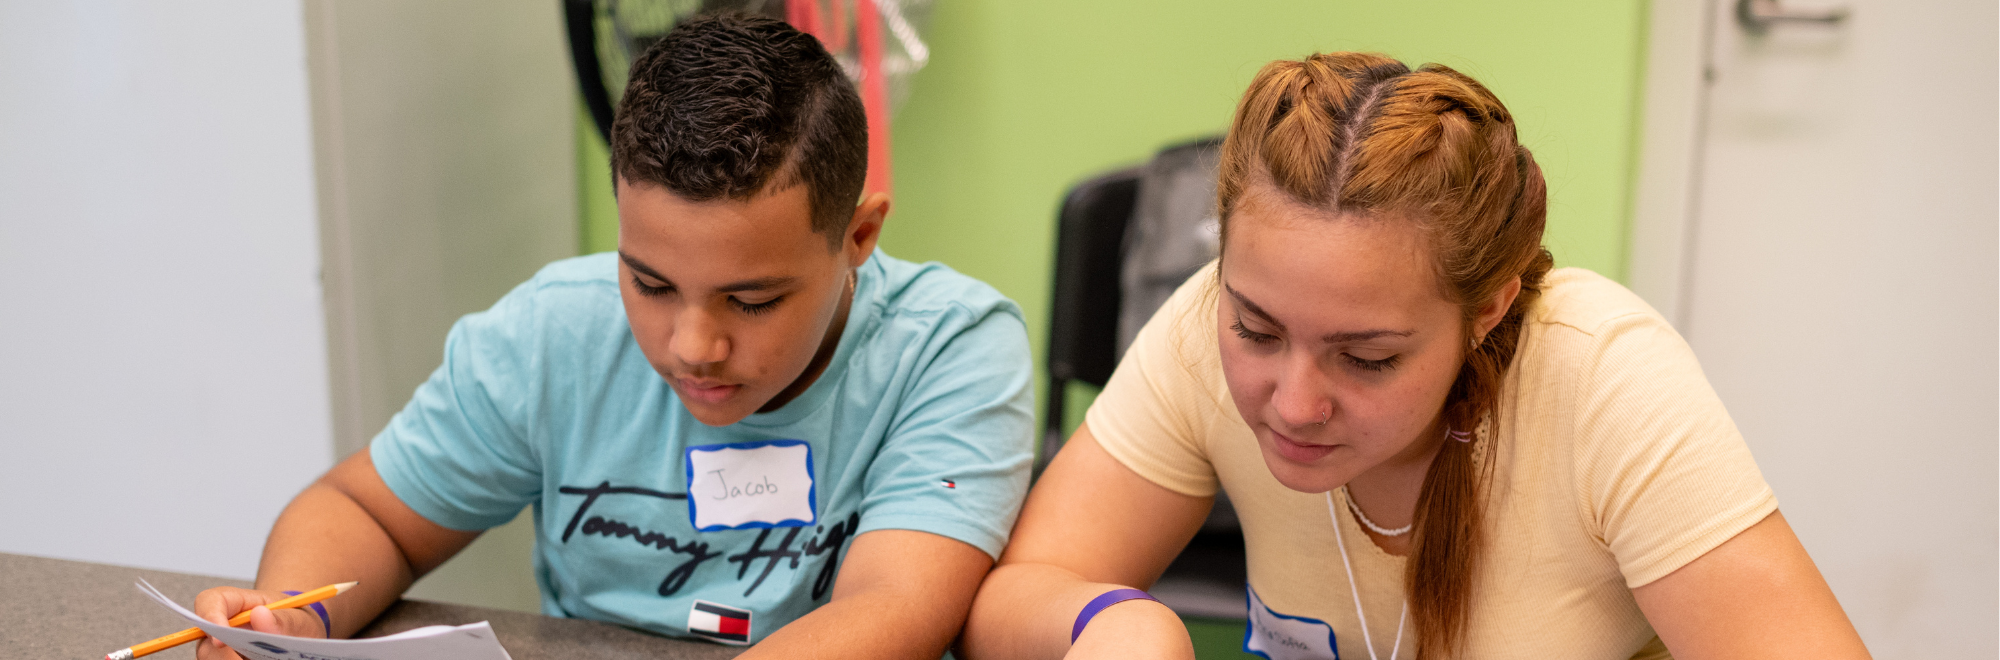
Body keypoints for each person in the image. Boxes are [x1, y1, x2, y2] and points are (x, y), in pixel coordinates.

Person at [961, 53, 1870, 660]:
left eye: (1368, 358)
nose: (1294, 402)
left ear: (1489, 308)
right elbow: (1011, 602)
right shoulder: (1205, 325)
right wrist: (1110, 619)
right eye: (1258, 331)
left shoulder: (1601, 376)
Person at [194, 14, 1034, 660]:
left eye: (751, 300)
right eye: (651, 284)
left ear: (858, 238)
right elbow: (366, 513)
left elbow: (893, 608)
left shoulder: (950, 348)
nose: (692, 345)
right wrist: (290, 614)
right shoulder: (552, 332)